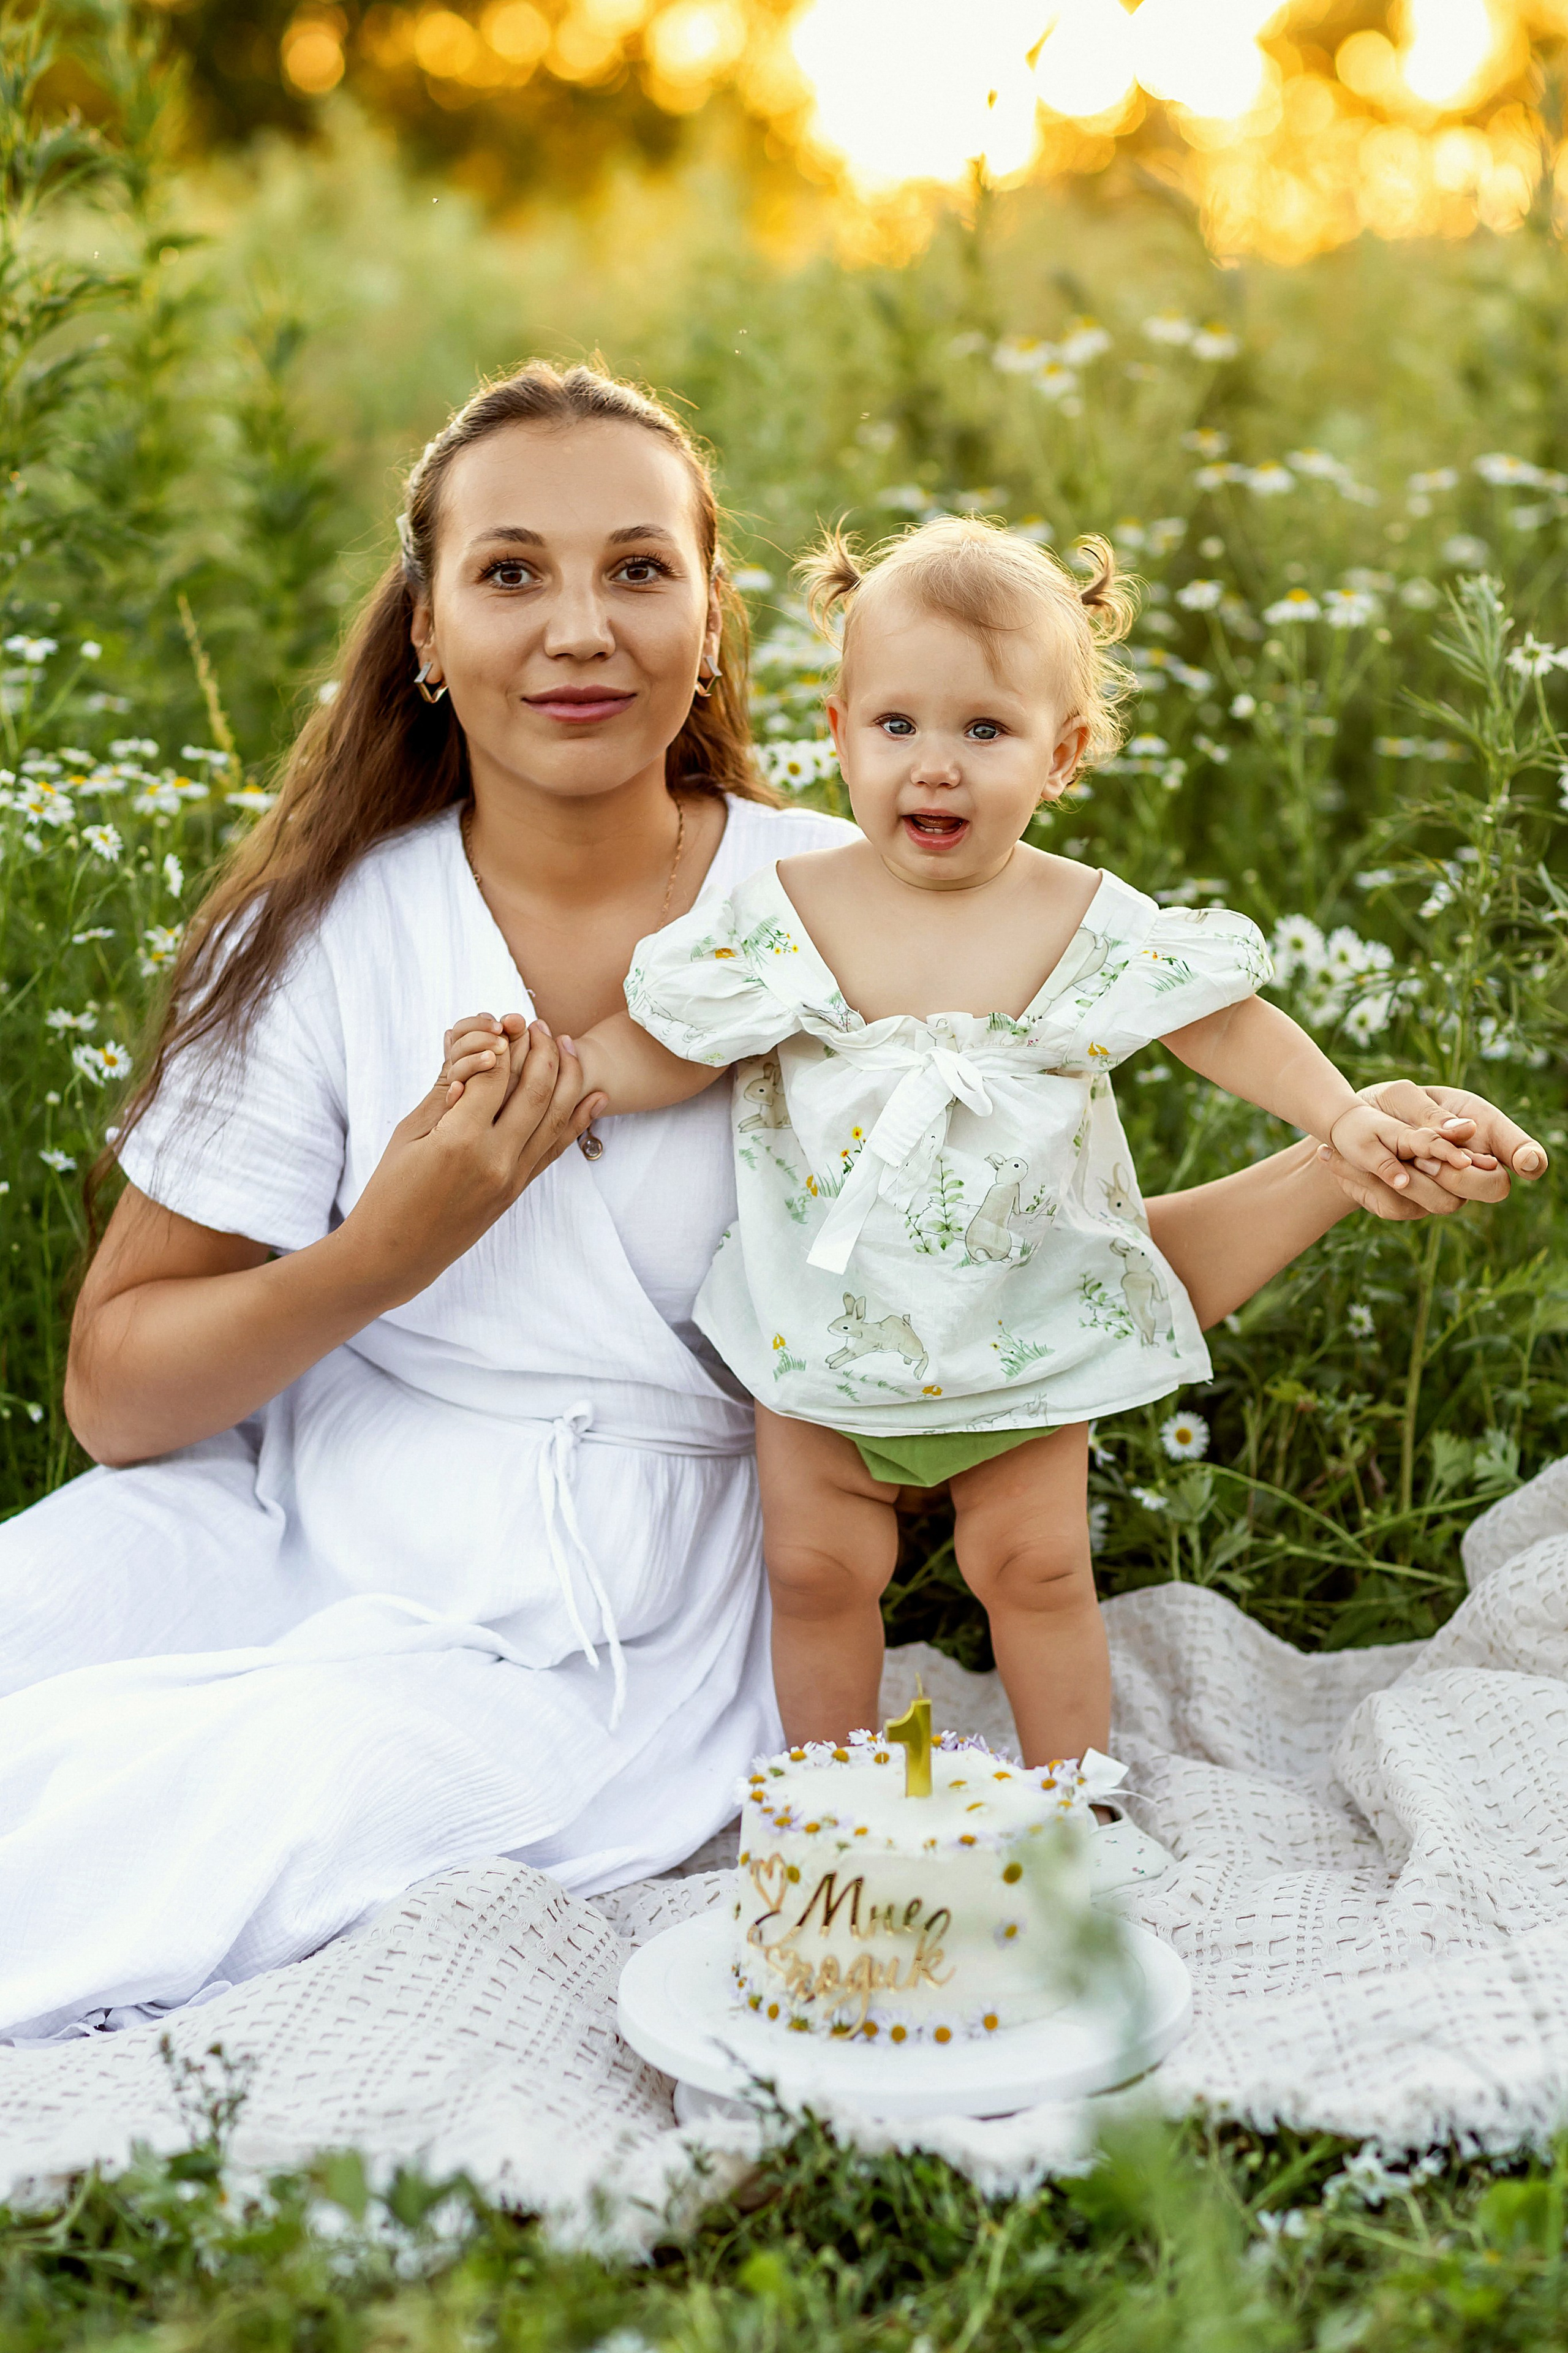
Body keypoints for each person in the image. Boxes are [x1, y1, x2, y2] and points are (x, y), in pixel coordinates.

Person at [0, 361, 1542, 2043]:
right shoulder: (320, 933)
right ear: (426, 628)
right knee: (47, 1626)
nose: (580, 627)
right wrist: (388, 1251)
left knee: (208, 1799)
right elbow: (118, 1399)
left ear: (714, 621)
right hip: (305, 1499)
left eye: (639, 569)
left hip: (623, 1609)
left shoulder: (865, 895)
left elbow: (1035, 1288)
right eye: (511, 572)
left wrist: (1335, 1158)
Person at [464, 515, 1528, 1769]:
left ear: (1061, 754)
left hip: (1021, 1326)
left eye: (984, 731)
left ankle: (1073, 1789)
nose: (934, 768)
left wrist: (1338, 1112)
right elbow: (677, 1042)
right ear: (839, 729)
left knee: (1031, 1568)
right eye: (897, 726)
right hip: (824, 1328)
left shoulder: (1079, 915)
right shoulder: (788, 913)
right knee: (814, 1570)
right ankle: (825, 1795)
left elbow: (1219, 1024)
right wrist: (572, 1074)